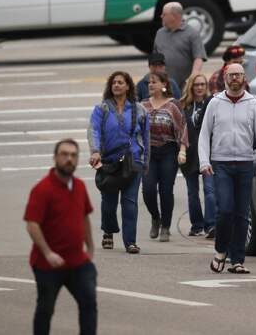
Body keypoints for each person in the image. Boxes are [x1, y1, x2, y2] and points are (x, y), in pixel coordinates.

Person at [199, 63, 256, 274]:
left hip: (246, 163)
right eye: (231, 75)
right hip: (221, 163)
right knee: (226, 210)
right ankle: (221, 251)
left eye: (239, 75)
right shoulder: (215, 102)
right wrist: (204, 162)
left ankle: (237, 260)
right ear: (225, 77)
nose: (235, 79)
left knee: (242, 214)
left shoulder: (253, 103)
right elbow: (204, 134)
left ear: (244, 78)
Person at [24, 139, 97, 335]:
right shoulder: (42, 189)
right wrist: (48, 253)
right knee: (46, 308)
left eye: (73, 155)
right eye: (64, 154)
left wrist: (90, 248)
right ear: (55, 158)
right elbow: (32, 225)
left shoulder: (80, 186)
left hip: (77, 262)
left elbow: (84, 216)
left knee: (89, 302)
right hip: (48, 264)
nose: (69, 159)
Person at [88, 71, 149, 254]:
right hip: (109, 162)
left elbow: (146, 137)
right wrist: (95, 151)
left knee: (130, 202)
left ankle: (130, 241)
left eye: (120, 82)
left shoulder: (139, 109)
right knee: (109, 202)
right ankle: (108, 230)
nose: (116, 85)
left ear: (128, 86)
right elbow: (94, 130)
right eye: (114, 82)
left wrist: (146, 162)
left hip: (133, 161)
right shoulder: (102, 109)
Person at [141, 72, 189, 242]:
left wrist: (182, 150)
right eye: (149, 82)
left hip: (168, 150)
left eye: (154, 82)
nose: (150, 85)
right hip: (149, 152)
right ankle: (155, 217)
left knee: (166, 190)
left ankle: (166, 227)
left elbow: (182, 128)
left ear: (164, 84)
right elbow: (135, 131)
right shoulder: (143, 106)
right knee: (147, 189)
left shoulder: (172, 105)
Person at [180, 74, 216, 238]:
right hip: (189, 154)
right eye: (196, 85)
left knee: (210, 190)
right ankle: (197, 225)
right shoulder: (183, 106)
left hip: (208, 153)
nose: (200, 88)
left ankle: (211, 225)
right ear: (191, 87)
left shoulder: (212, 103)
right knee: (192, 192)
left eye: (202, 84)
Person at [153, 2, 206, 88]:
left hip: (184, 85)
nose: (161, 16)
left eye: (164, 14)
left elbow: (199, 58)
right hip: (164, 85)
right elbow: (154, 58)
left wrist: (193, 78)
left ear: (174, 16)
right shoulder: (160, 33)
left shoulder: (192, 33)